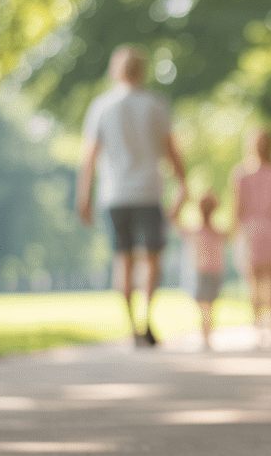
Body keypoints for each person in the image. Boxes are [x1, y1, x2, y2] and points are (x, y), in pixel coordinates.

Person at [77, 44, 187, 347]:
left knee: (122, 260)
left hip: (114, 195)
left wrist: (83, 197)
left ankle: (131, 327)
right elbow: (172, 151)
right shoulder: (156, 105)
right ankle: (147, 318)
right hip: (149, 191)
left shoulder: (101, 106)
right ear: (142, 70)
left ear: (116, 70)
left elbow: (89, 158)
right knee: (151, 260)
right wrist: (183, 185)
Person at [231, 128, 271, 345]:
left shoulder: (241, 174)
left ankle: (259, 327)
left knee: (255, 282)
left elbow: (237, 210)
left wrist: (235, 235)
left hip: (253, 231)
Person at [173, 190, 227, 350]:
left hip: (203, 273)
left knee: (205, 306)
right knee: (208, 306)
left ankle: (206, 336)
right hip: (213, 272)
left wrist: (181, 200)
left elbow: (175, 222)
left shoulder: (195, 232)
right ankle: (206, 335)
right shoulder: (217, 233)